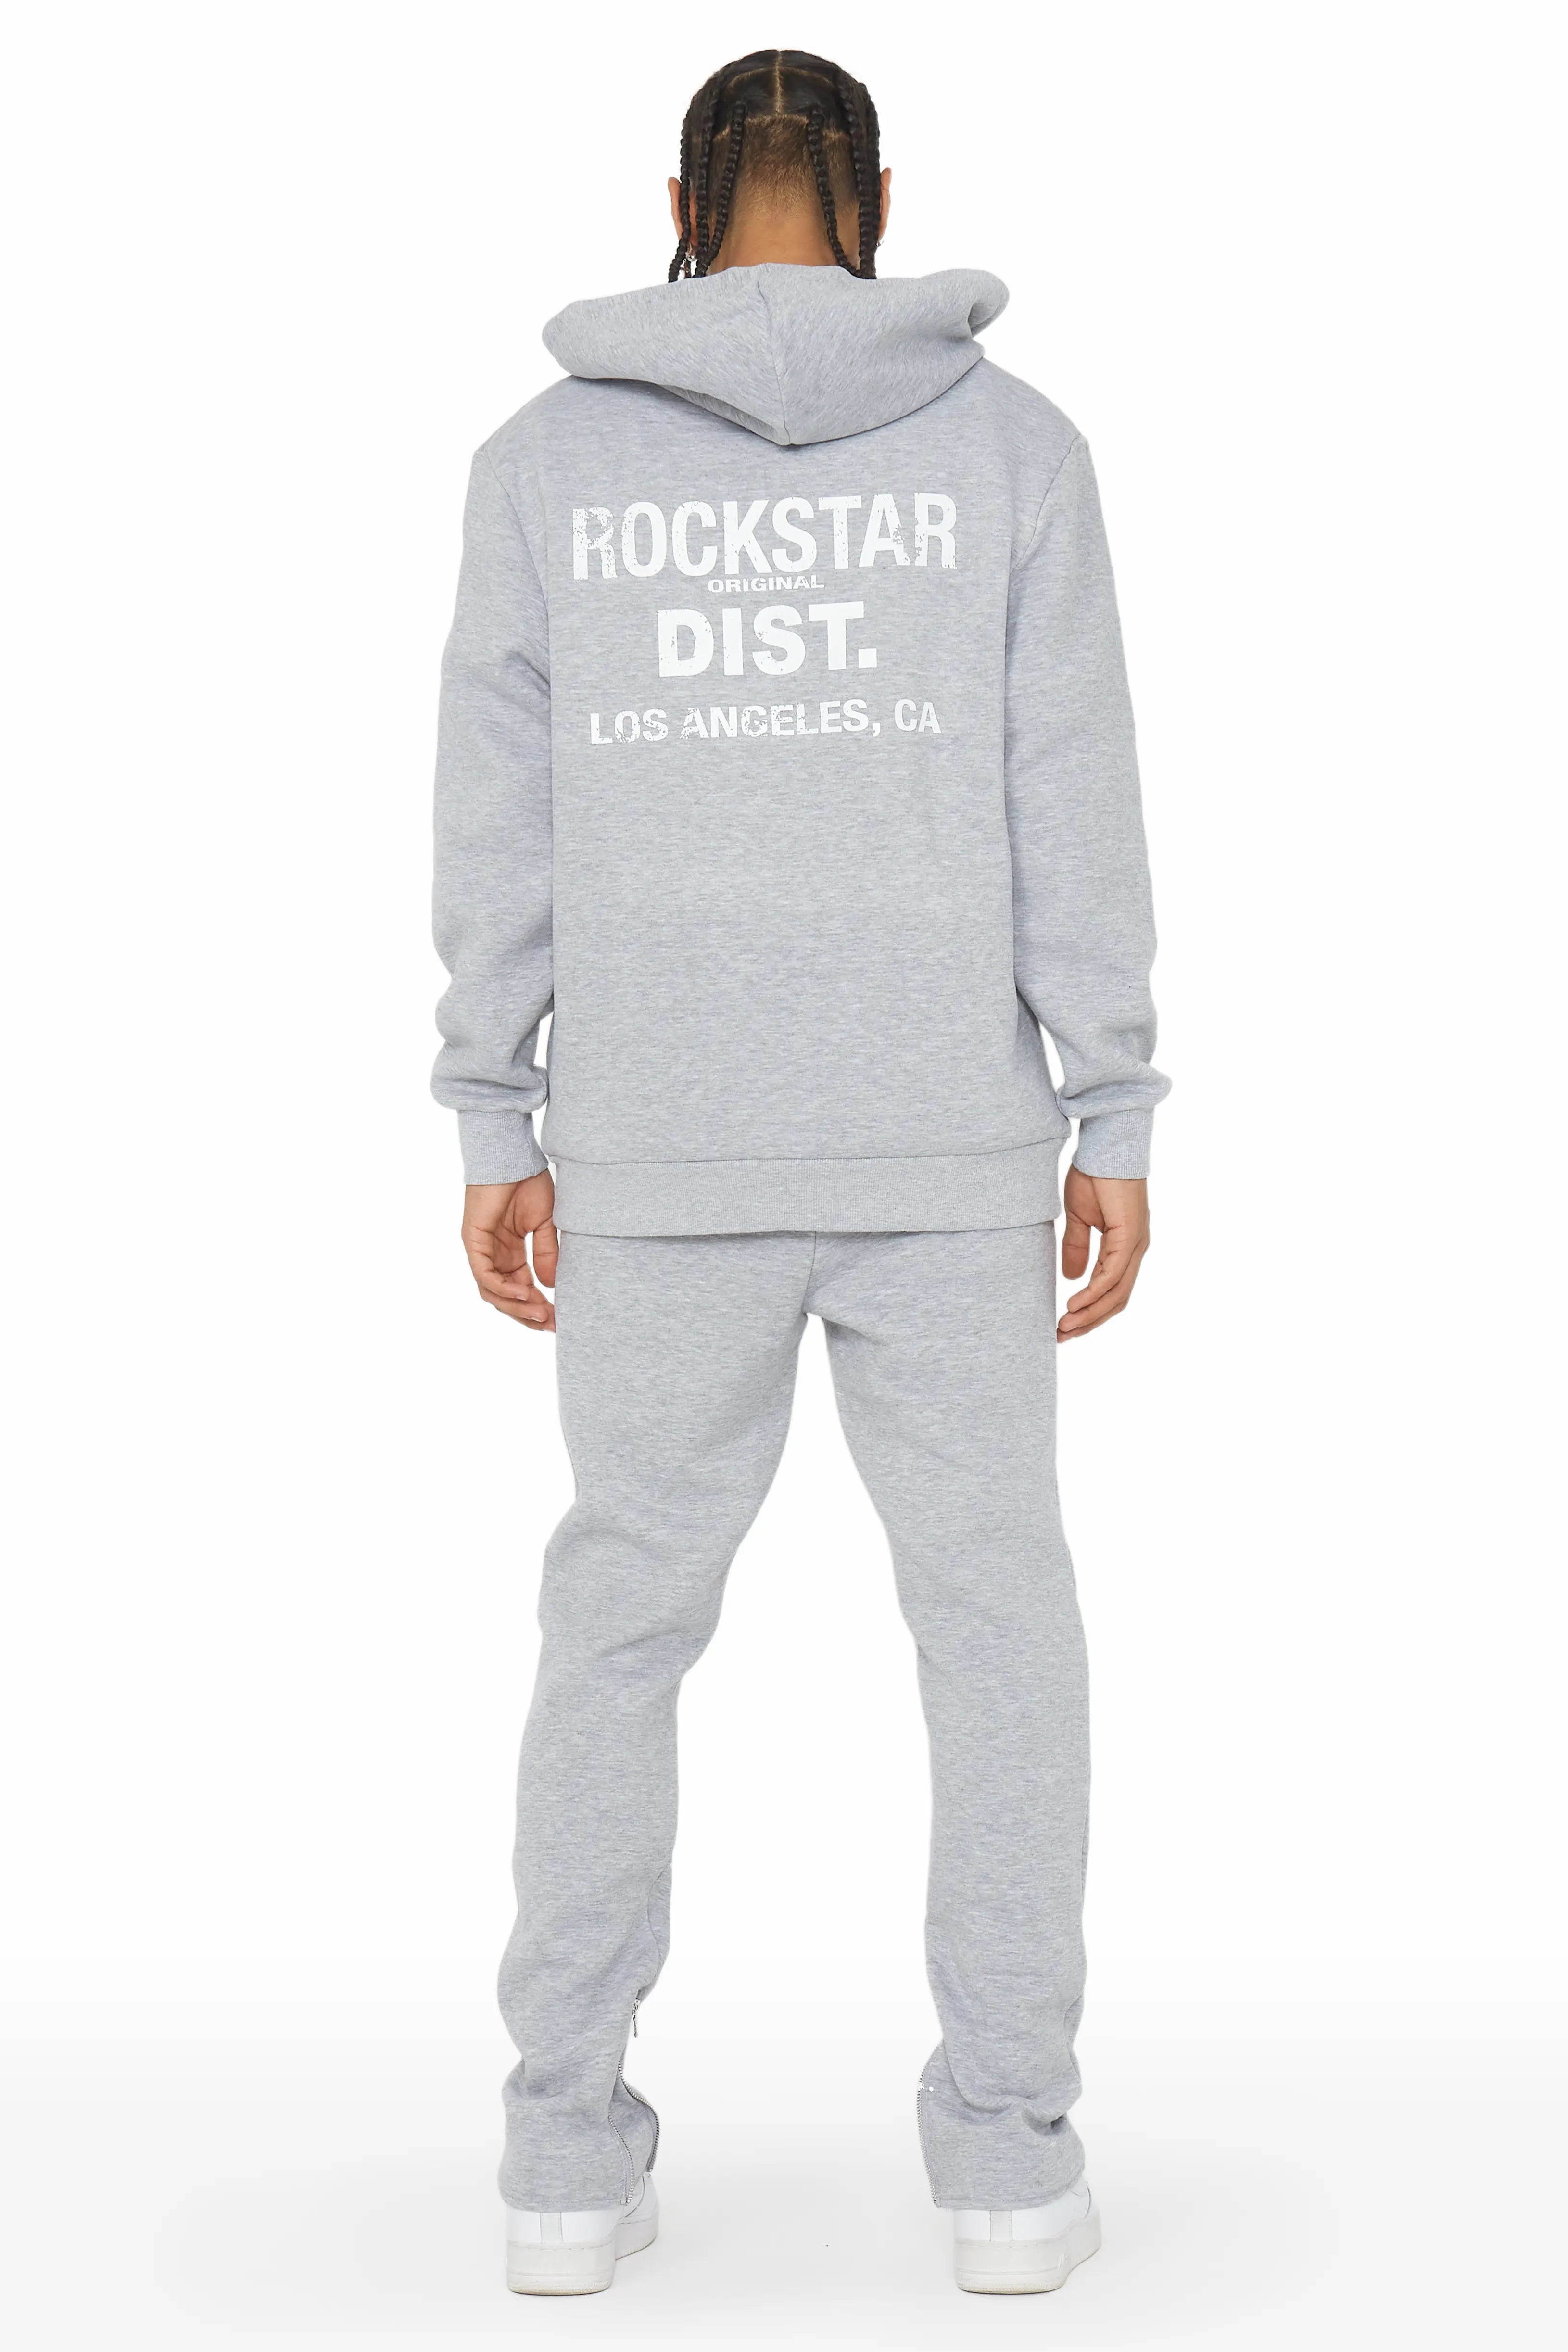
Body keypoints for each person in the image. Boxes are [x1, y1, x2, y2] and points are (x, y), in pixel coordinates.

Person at [432, 47, 1168, 2299]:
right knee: (995, 1626)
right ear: (874, 195)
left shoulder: (546, 465)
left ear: (680, 193)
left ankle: (560, 2161)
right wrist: (1112, 1100)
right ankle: (1009, 2165)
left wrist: (491, 1106)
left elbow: (498, 806)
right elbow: (1070, 785)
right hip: (948, 1143)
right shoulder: (1013, 452)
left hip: (653, 1142)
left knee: (616, 1625)